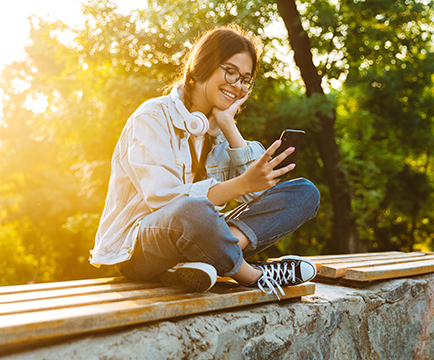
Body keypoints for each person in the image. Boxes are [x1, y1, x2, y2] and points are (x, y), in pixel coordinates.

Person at [89, 25, 320, 299]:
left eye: (245, 79)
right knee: (193, 209)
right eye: (230, 71)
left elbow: (262, 197)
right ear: (202, 66)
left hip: (199, 239)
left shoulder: (220, 130)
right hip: (139, 248)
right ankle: (254, 275)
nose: (237, 85)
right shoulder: (151, 117)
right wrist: (240, 185)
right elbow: (167, 200)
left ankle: (200, 261)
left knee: (305, 193)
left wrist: (228, 126)